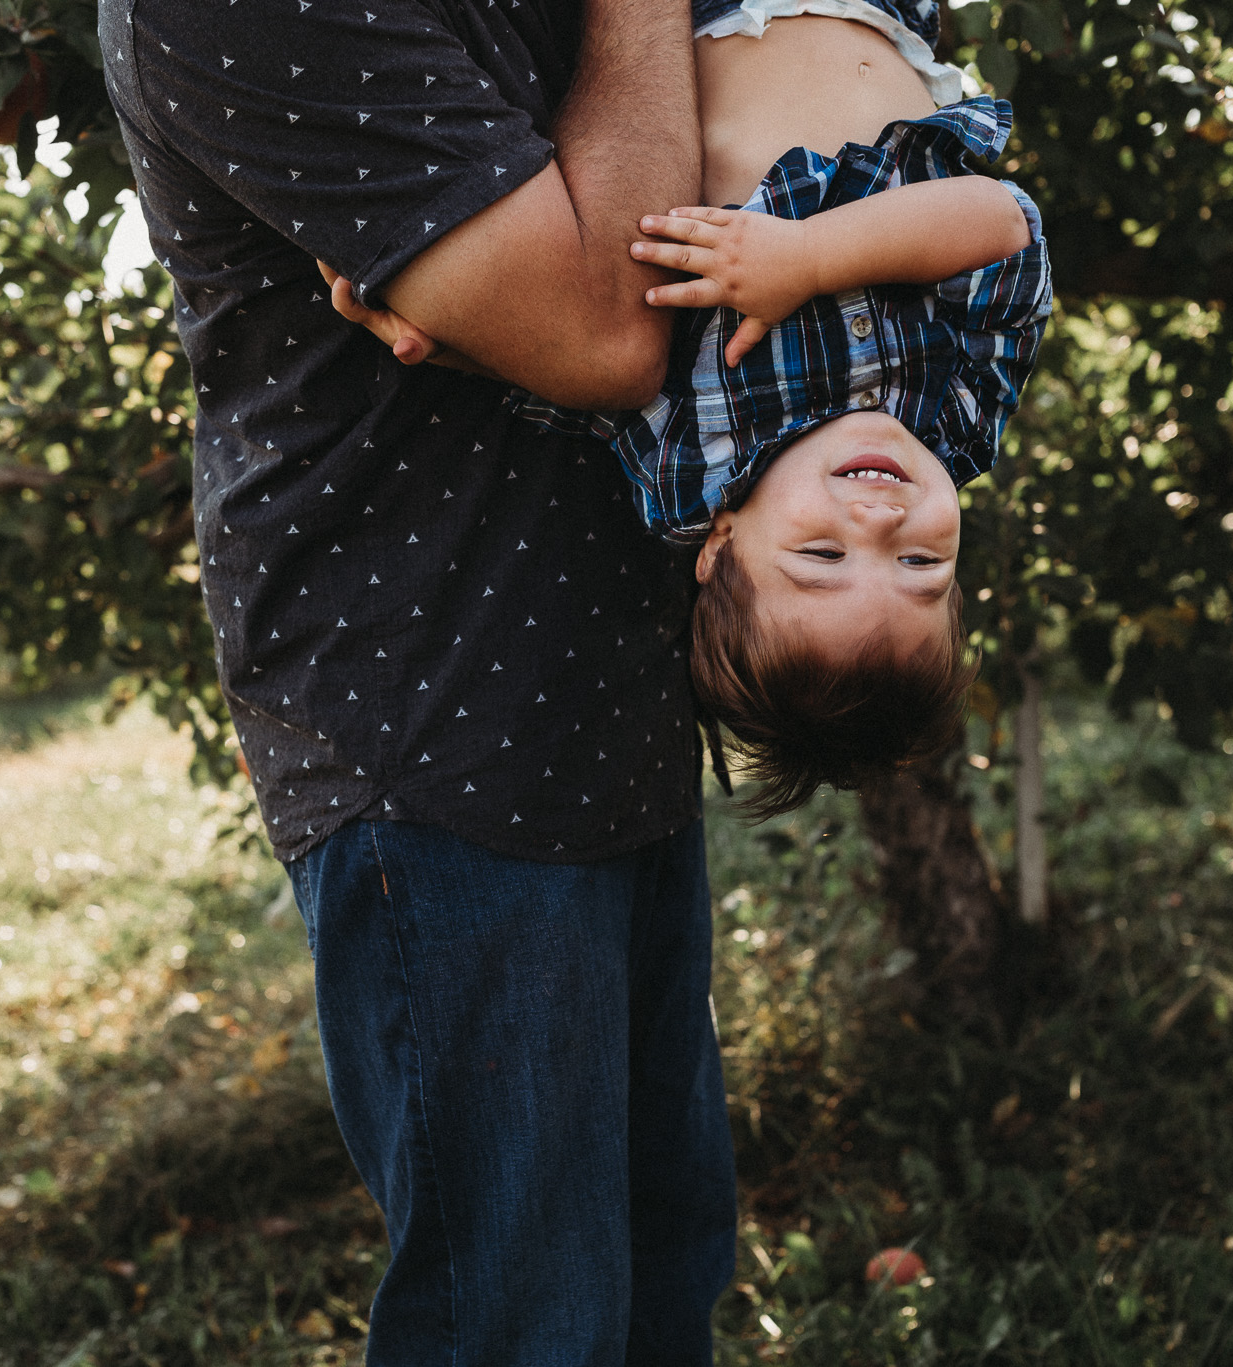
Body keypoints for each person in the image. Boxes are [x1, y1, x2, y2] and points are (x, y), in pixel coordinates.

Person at [98, 1, 736, 1363]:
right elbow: (618, 327)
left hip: (610, 689)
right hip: (441, 723)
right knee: (526, 1318)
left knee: (663, 1286)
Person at [330, 0, 1054, 816]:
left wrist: (426, 324)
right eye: (921, 567)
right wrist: (809, 257)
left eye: (821, 553)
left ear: (719, 546)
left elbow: (560, 359)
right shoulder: (958, 412)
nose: (880, 524)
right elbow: (1008, 227)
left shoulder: (689, 448)